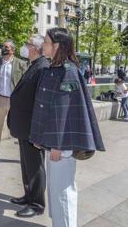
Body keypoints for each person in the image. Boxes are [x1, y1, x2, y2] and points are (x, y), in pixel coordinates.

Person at [29, 28, 105, 227]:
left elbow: (65, 112)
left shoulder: (68, 71)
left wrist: (58, 146)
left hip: (61, 146)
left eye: (46, 42)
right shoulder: (53, 68)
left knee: (63, 192)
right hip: (53, 143)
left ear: (56, 46)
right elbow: (46, 108)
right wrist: (39, 138)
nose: (43, 45)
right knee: (55, 190)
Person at [7, 34, 49, 218]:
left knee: (35, 167)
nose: (25, 46)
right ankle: (28, 195)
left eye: (28, 43)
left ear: (35, 48)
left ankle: (37, 204)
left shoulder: (42, 68)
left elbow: (42, 103)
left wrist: (38, 131)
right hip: (24, 128)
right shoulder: (34, 65)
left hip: (32, 129)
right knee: (26, 165)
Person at [0, 40, 27, 166]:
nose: (4, 49)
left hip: (15, 101)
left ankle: (24, 156)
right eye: (3, 46)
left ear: (13, 50)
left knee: (20, 129)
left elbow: (26, 83)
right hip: (1, 99)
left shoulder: (21, 64)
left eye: (7, 47)